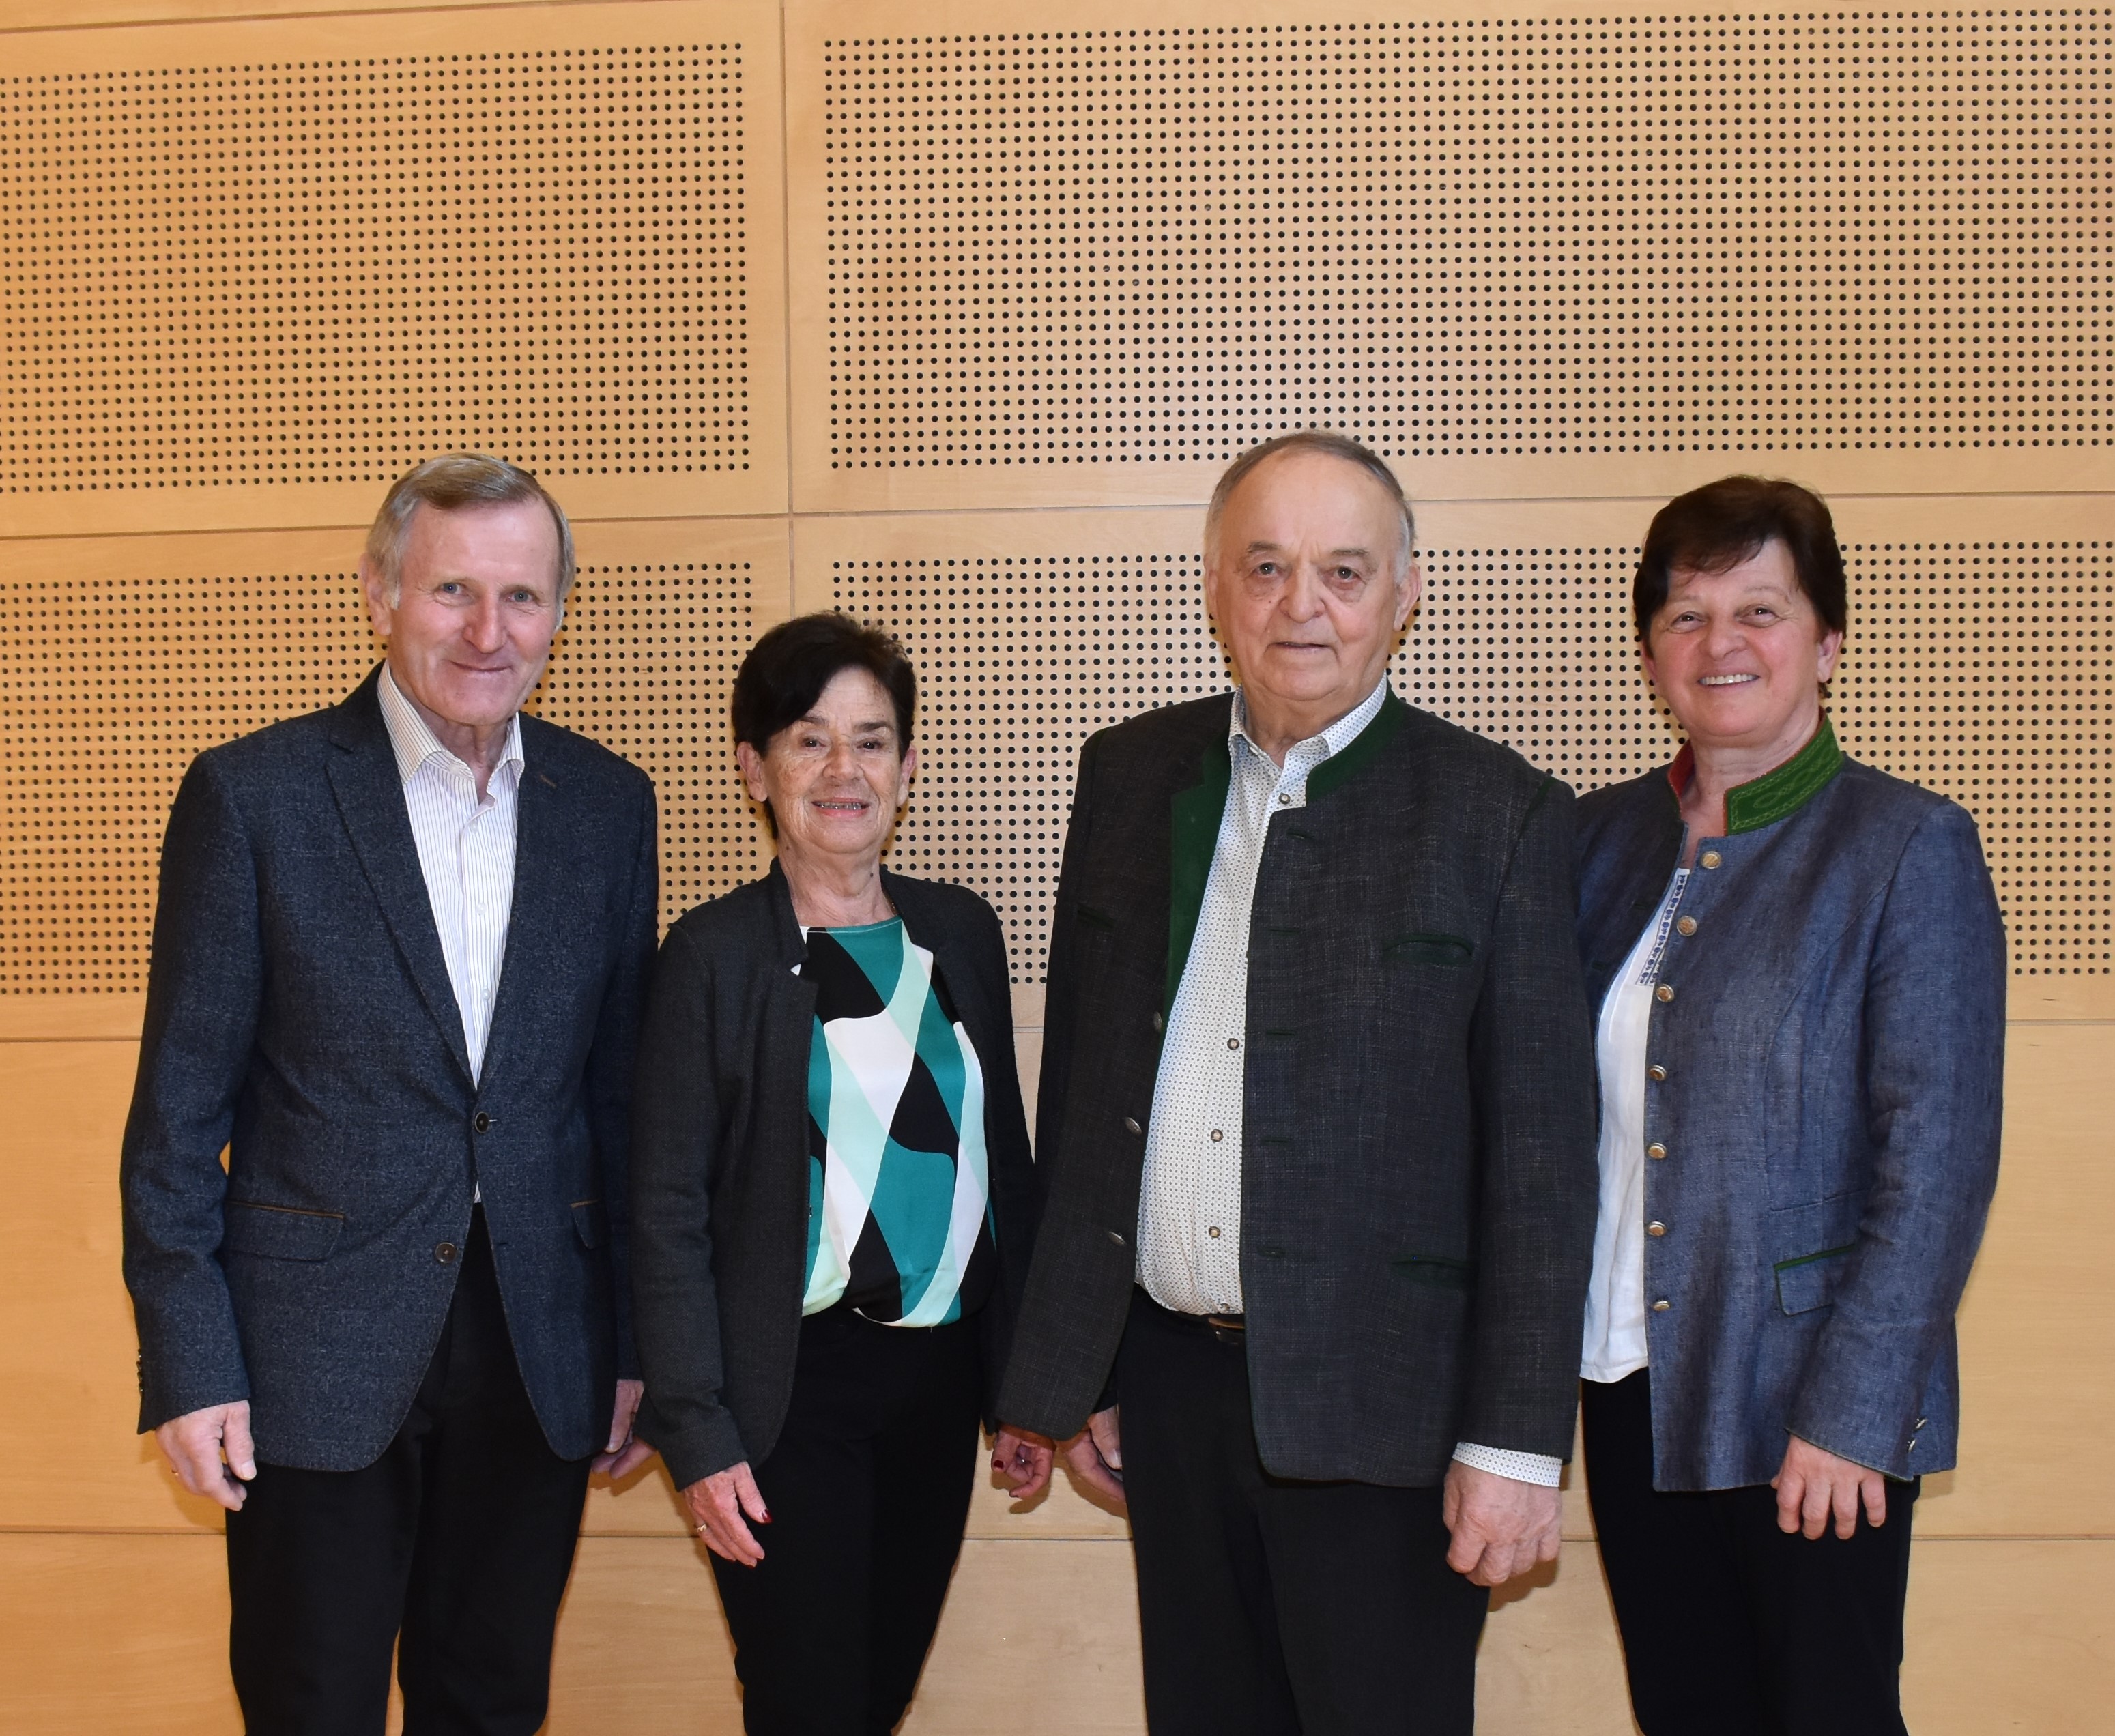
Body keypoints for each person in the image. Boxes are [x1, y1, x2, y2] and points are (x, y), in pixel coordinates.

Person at [996, 430, 1600, 1735]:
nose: (1301, 605)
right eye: (1266, 567)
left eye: (1343, 570)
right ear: (1215, 587)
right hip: (1172, 1396)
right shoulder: (1127, 776)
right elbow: (1087, 1096)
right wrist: (1077, 1367)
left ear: (1405, 593)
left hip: (1390, 1413)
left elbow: (1544, 1169)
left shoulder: (1500, 815)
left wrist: (1514, 1445)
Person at [119, 454, 660, 1734]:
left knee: (492, 1704)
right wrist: (191, 1366)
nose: (489, 632)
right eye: (453, 590)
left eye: (523, 597)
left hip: (539, 1348)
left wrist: (639, 1349)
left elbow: (622, 1106)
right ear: (379, 594)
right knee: (312, 1706)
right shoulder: (254, 798)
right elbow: (177, 1123)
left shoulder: (608, 806)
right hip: (312, 1360)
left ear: (558, 614)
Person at [1574, 476, 2005, 1735]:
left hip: (1810, 1403)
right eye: (1687, 614)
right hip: (1631, 1384)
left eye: (1760, 609)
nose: (1722, 643)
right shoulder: (1594, 845)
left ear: (1827, 641)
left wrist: (1854, 1418)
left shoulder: (1905, 846)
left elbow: (1936, 1163)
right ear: (1651, 652)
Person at [627, 613, 1042, 1736]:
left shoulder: (961, 932)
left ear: (907, 767)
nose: (844, 770)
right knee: (805, 1702)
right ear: (754, 769)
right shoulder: (711, 957)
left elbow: (1003, 1171)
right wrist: (697, 1434)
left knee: (877, 1694)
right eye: (809, 740)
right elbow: (663, 1216)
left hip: (939, 1382)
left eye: (872, 739)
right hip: (785, 1392)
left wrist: (1025, 1388)